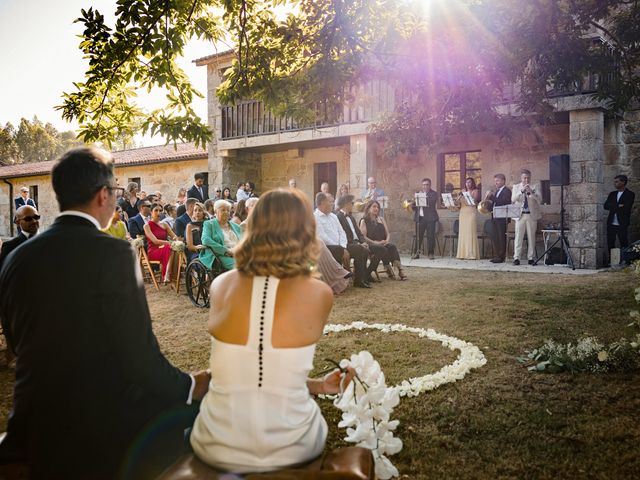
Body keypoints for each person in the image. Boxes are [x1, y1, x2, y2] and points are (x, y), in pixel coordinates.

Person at [0, 147, 210, 479]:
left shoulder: (16, 258)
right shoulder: (114, 253)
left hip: (32, 419)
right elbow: (139, 357)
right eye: (115, 191)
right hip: (96, 423)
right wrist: (189, 385)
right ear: (103, 195)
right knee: (198, 416)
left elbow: (14, 337)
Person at [189, 188, 355, 473]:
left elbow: (251, 367)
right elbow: (271, 368)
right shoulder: (319, 293)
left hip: (216, 441)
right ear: (304, 232)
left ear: (251, 228)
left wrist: (318, 385)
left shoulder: (220, 286)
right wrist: (316, 386)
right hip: (292, 443)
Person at [335, 195, 376, 287]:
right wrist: (357, 244)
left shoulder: (351, 217)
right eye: (352, 203)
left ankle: (361, 278)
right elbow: (341, 235)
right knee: (360, 249)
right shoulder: (338, 217)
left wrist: (363, 242)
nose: (353, 205)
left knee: (364, 249)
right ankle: (359, 280)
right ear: (346, 204)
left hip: (355, 242)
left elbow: (359, 233)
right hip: (346, 244)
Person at [360, 200, 407, 280]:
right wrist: (375, 242)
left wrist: (386, 241)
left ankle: (400, 270)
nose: (376, 209)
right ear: (368, 208)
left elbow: (388, 233)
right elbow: (363, 237)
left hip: (382, 243)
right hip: (371, 244)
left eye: (377, 207)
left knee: (392, 246)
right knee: (383, 249)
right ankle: (385, 269)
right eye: (374, 206)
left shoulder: (381, 219)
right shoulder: (364, 220)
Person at [200, 199, 242, 272]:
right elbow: (206, 240)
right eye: (223, 210)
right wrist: (226, 251)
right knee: (242, 266)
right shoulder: (209, 224)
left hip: (238, 254)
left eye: (228, 210)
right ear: (216, 211)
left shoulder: (236, 226)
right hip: (220, 255)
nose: (226, 212)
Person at [512, 169, 542, 265]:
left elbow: (540, 200)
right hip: (520, 215)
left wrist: (531, 193)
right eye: (524, 178)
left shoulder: (535, 186)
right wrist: (521, 191)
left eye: (528, 178)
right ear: (521, 178)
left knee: (531, 237)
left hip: (531, 215)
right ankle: (516, 258)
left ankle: (531, 258)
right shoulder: (516, 187)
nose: (526, 180)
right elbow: (513, 199)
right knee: (518, 237)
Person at [314, 192, 350, 272]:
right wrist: (340, 248)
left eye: (333, 201)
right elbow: (323, 237)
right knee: (338, 250)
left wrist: (343, 246)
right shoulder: (315, 217)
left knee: (360, 249)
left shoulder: (334, 216)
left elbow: (342, 232)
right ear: (322, 203)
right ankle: (341, 275)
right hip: (326, 248)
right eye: (330, 202)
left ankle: (360, 279)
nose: (333, 204)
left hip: (341, 246)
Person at [604, 174, 635, 263]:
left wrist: (613, 206)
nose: (615, 183)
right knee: (610, 242)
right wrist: (618, 206)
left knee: (623, 241)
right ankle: (612, 261)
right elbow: (606, 206)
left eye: (617, 181)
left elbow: (627, 207)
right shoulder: (612, 194)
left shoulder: (630, 194)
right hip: (611, 223)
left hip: (622, 222)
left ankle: (625, 260)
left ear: (623, 182)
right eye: (615, 182)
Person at [144, 203, 178, 282]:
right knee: (169, 247)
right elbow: (155, 241)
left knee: (175, 249)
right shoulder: (147, 226)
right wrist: (168, 243)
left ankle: (173, 274)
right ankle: (168, 273)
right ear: (151, 212)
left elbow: (174, 237)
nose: (158, 212)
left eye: (160, 210)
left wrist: (177, 241)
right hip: (153, 251)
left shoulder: (164, 224)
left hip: (166, 248)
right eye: (156, 210)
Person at [0, 205, 40, 270]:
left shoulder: (49, 242)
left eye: (36, 217)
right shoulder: (9, 246)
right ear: (18, 222)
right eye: (28, 219)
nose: (34, 221)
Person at [487, 174, 512, 263]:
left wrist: (492, 197)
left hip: (502, 218)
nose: (496, 183)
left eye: (497, 181)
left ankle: (501, 257)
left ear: (503, 181)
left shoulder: (507, 191)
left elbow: (504, 202)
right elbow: (495, 204)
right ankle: (497, 255)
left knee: (501, 237)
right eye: (495, 181)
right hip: (495, 217)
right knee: (495, 237)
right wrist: (488, 206)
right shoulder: (497, 191)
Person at [412, 178, 439, 259]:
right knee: (418, 236)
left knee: (430, 236)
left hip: (430, 218)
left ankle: (431, 253)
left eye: (427, 185)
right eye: (423, 185)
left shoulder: (434, 194)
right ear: (422, 185)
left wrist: (422, 196)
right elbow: (415, 207)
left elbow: (431, 203)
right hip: (420, 218)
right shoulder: (418, 193)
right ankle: (416, 253)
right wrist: (413, 202)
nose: (425, 186)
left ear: (430, 185)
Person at [456, 178, 481, 260]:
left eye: (469, 182)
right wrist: (458, 200)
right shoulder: (461, 192)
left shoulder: (475, 191)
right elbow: (458, 205)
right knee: (463, 233)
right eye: (466, 182)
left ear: (472, 183)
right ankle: (462, 254)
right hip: (462, 213)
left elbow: (473, 202)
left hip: (471, 212)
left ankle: (471, 254)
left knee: (470, 232)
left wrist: (465, 194)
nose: (468, 184)